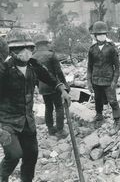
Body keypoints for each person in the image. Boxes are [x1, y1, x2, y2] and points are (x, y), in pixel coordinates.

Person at [0, 29, 71, 182]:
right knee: (14, 155)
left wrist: (61, 89)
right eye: (20, 48)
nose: (25, 52)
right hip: (7, 122)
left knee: (31, 155)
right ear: (12, 50)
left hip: (27, 121)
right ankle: (2, 176)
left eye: (28, 48)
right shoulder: (4, 69)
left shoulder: (33, 65)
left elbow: (49, 77)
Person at [32, 34, 70, 139]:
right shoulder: (51, 55)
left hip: (42, 87)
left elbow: (34, 76)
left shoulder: (33, 57)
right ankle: (60, 130)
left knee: (48, 107)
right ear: (46, 43)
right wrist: (65, 86)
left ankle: (50, 129)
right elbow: (59, 72)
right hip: (55, 86)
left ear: (37, 45)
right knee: (59, 107)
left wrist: (38, 86)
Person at [87, 21, 120, 135]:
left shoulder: (111, 48)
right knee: (97, 100)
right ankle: (99, 116)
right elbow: (89, 67)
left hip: (108, 79)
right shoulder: (92, 49)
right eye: (99, 34)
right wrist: (89, 81)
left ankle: (117, 120)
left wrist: (114, 81)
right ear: (95, 36)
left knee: (112, 101)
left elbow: (117, 66)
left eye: (103, 34)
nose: (102, 36)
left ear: (106, 35)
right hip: (96, 79)